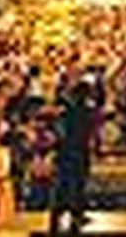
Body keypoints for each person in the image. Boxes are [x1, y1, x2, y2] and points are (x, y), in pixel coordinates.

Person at [49, 78, 97, 235]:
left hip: (68, 152)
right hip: (77, 152)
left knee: (66, 186)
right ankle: (74, 214)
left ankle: (61, 215)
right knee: (76, 185)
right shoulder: (84, 110)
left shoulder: (68, 109)